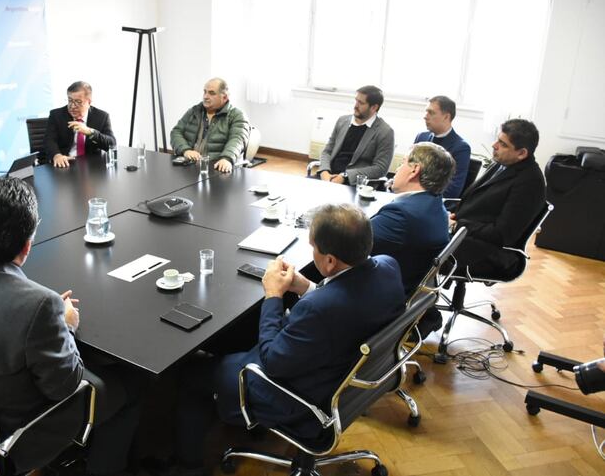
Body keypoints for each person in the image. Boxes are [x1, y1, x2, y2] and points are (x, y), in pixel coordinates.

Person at [0, 177, 141, 476]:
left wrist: (44, 315)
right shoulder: (40, 305)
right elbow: (65, 386)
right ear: (27, 245)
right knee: (131, 386)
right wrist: (63, 324)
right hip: (11, 429)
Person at [165, 204, 405, 476]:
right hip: (350, 384)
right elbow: (348, 303)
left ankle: (188, 467)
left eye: (313, 247)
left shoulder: (318, 310)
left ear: (329, 261)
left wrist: (273, 295)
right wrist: (305, 286)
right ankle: (238, 422)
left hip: (303, 399)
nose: (312, 251)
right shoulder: (388, 266)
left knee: (191, 373)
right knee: (239, 336)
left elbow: (271, 361)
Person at [450, 118, 546, 277]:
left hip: (489, 252)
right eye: (497, 140)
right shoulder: (503, 163)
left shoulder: (530, 183)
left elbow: (502, 235)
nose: (494, 146)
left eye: (503, 144)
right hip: (468, 236)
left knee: (419, 246)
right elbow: (474, 203)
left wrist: (458, 225)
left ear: (522, 153)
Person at [372, 142, 455, 296]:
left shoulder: (401, 215)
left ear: (414, 170)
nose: (397, 169)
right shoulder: (437, 207)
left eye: (402, 162)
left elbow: (350, 242)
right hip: (407, 286)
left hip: (378, 294)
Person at [317, 85, 394, 185]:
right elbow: (327, 151)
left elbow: (380, 168)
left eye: (361, 103)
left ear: (374, 107)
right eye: (356, 100)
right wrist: (324, 172)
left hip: (354, 183)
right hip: (328, 177)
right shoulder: (342, 121)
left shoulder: (385, 132)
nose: (355, 106)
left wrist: (345, 176)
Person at [169, 78, 250, 173]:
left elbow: (238, 139)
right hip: (190, 167)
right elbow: (176, 132)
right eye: (205, 92)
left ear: (224, 97)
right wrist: (186, 150)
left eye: (212, 93)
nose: (205, 96)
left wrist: (226, 158)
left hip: (217, 167)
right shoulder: (194, 111)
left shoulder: (237, 115)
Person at [45, 81, 116, 168]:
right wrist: (57, 155)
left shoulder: (101, 117)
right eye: (70, 100)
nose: (72, 106)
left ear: (89, 102)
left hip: (91, 166)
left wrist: (90, 132)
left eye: (78, 102)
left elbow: (112, 144)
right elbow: (49, 141)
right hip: (65, 163)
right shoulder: (56, 115)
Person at [414, 96, 471, 198]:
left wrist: (415, 191)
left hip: (434, 203)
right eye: (426, 112)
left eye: (431, 113)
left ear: (446, 117)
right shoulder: (421, 137)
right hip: (409, 197)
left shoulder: (461, 147)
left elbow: (453, 190)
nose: (425, 116)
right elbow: (409, 170)